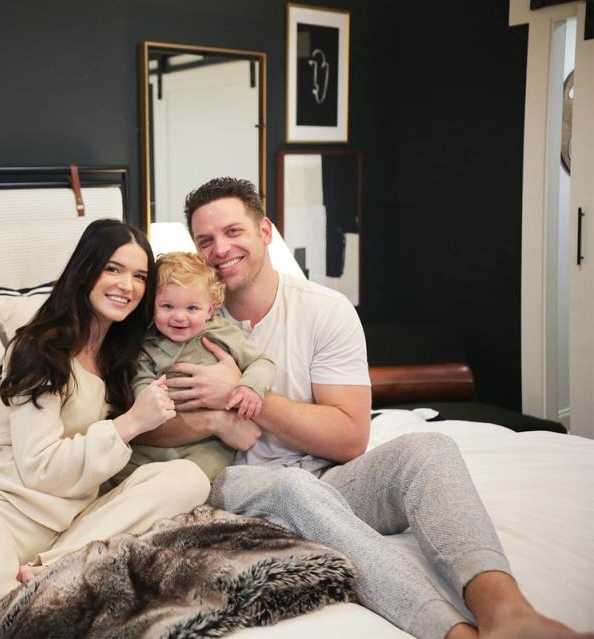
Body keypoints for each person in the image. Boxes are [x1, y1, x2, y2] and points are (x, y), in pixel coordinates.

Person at [133, 177, 587, 639]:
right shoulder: (176, 315)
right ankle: (451, 634)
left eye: (234, 231)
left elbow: (350, 439)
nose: (220, 248)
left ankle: (508, 614)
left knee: (428, 450)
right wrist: (211, 418)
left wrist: (243, 394)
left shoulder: (324, 311)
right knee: (291, 487)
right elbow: (136, 429)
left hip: (328, 477)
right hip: (235, 488)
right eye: (204, 240)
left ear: (265, 231)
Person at [0, 219, 210, 639]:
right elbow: (41, 468)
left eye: (139, 276)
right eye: (113, 268)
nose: (127, 285)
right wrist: (129, 423)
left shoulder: (120, 358)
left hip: (68, 524)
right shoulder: (38, 348)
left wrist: (225, 407)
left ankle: (52, 565)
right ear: (85, 270)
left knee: (186, 477)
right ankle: (46, 568)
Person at [110, 251, 276, 486]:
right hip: (160, 436)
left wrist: (250, 387)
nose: (179, 317)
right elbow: (141, 382)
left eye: (192, 308)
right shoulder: (147, 343)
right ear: (152, 306)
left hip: (207, 444)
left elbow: (262, 362)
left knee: (194, 478)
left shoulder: (221, 333)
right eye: (167, 306)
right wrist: (149, 398)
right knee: (120, 471)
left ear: (210, 310)